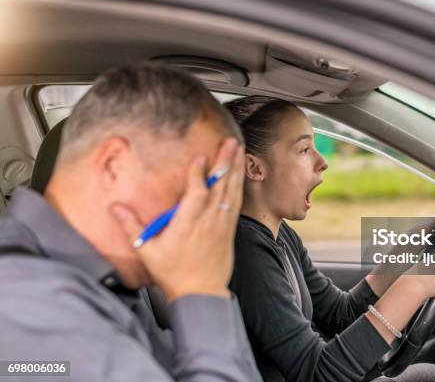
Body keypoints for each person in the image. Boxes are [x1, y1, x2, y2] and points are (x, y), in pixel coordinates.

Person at [0, 63, 262, 381]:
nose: (209, 218)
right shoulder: (28, 304)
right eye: (197, 190)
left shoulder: (107, 286)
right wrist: (202, 290)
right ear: (114, 166)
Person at [225, 96, 435, 382]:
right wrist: (417, 284)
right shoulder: (244, 251)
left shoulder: (280, 236)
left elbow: (339, 314)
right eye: (305, 150)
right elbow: (319, 374)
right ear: (255, 168)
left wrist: (414, 242)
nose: (323, 162)